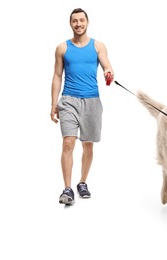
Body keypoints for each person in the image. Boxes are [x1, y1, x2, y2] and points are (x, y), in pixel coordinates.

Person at [50, 8, 114, 205]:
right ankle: (67, 189)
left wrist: (108, 73)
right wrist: (54, 104)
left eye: (81, 20)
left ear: (87, 22)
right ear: (70, 24)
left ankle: (82, 183)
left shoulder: (98, 46)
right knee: (68, 143)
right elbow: (57, 76)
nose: (78, 24)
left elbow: (107, 66)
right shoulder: (62, 48)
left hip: (92, 101)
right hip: (69, 100)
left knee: (88, 145)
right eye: (74, 21)